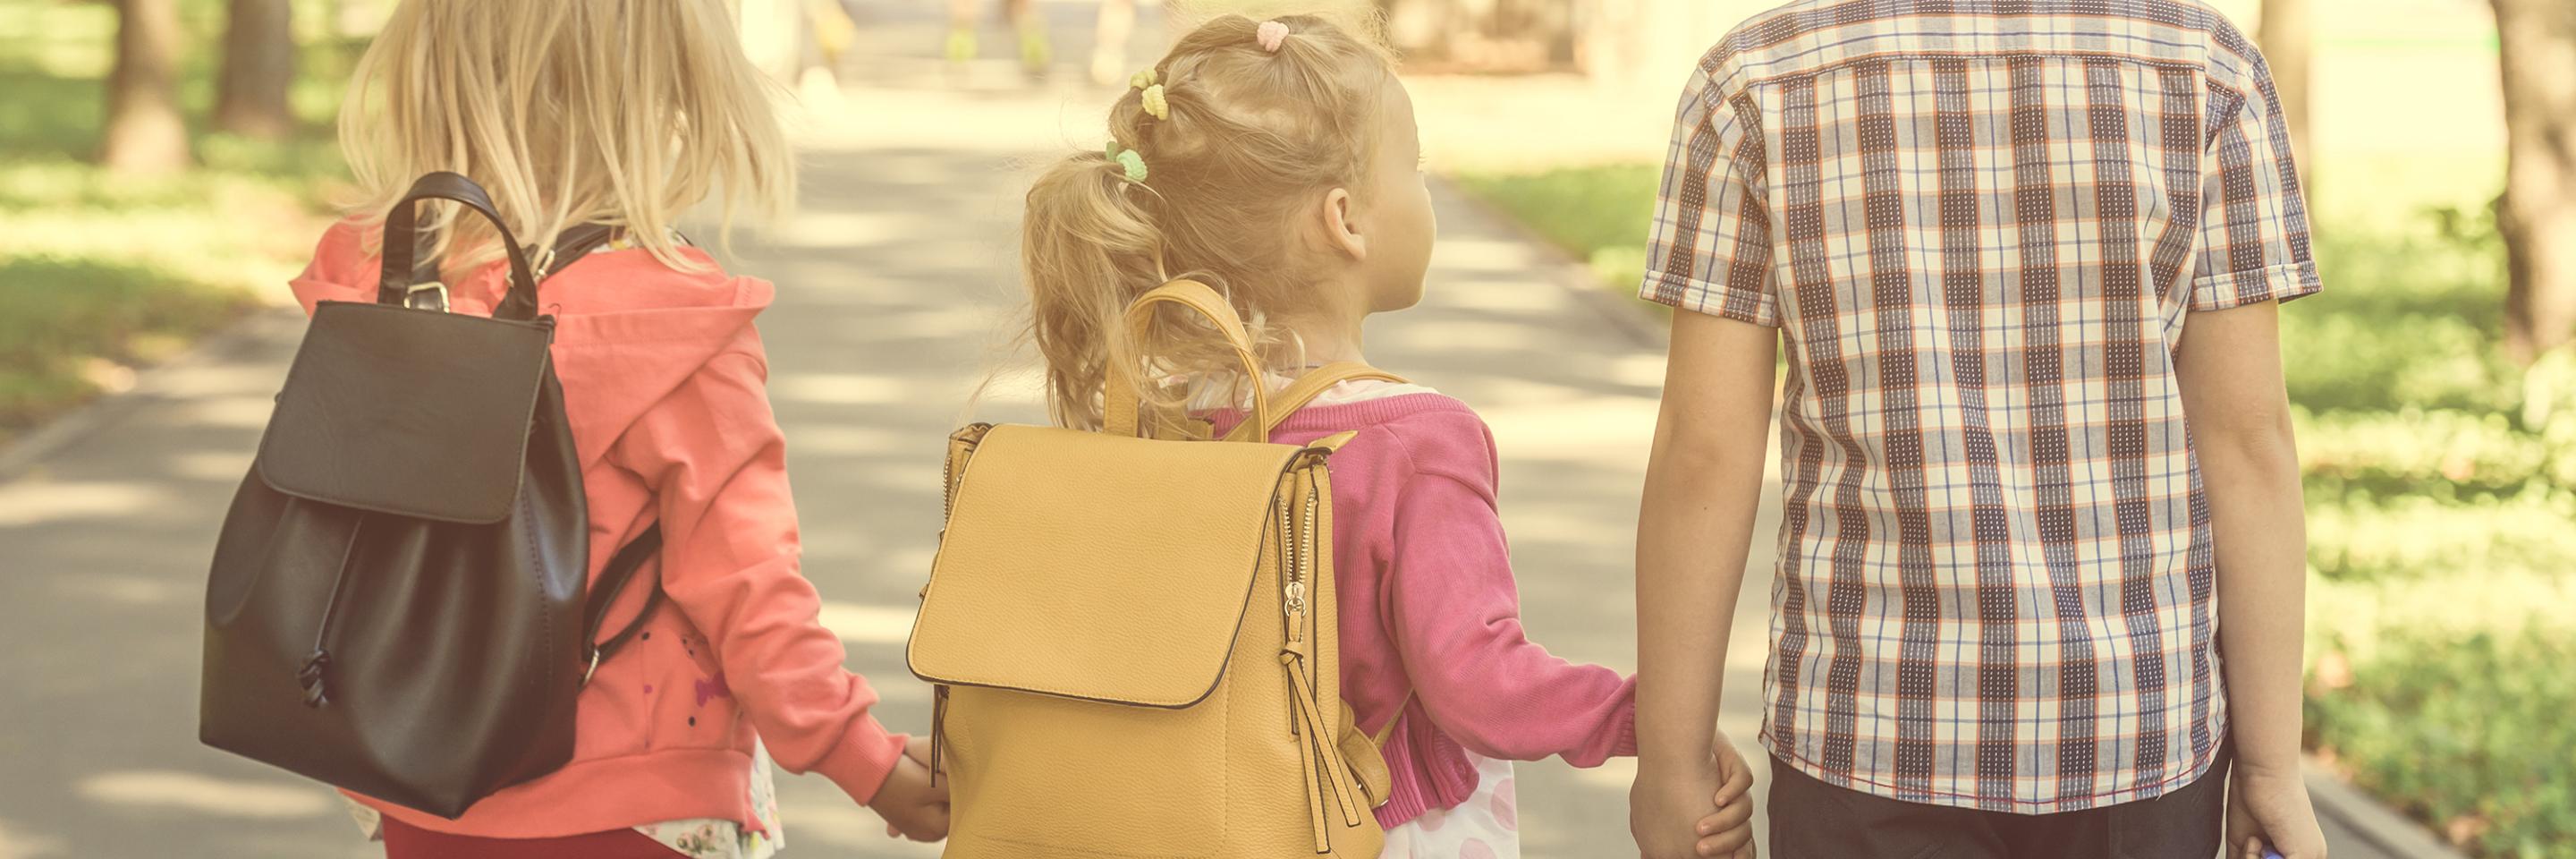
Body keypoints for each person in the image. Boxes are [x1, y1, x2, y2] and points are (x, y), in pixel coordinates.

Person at [1628, 1, 2333, 858]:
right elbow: (2247, 447)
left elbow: (1704, 455)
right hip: (2134, 734)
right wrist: (2269, 767)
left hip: (1869, 733)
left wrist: (1670, 765)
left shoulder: (1755, 81)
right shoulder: (2205, 70)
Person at [292, 1, 947, 855]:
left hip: (414, 772)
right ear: (674, 85)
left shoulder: (376, 279)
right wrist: (869, 760)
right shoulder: (671, 324)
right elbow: (749, 588)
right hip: (633, 801)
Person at [1013, 13, 1639, 856]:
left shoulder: (1166, 419)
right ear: (1345, 219)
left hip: (1198, 822)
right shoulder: (1416, 441)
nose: (1425, 190)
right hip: (1382, 829)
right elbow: (1477, 684)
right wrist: (1643, 713)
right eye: (1412, 168)